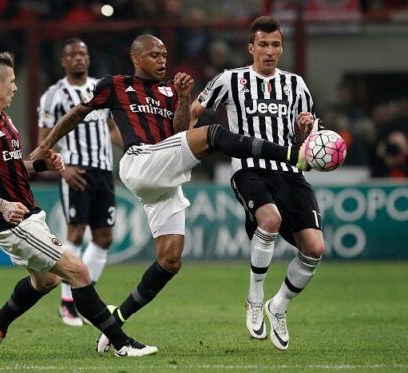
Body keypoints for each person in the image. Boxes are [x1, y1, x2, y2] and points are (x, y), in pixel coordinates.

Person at [31, 34, 310, 352]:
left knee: (171, 260)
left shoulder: (167, 92)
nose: (162, 60)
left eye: (165, 54)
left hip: (163, 175)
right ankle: (292, 155)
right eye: (154, 55)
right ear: (136, 58)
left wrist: (181, 98)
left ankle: (114, 327)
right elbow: (77, 114)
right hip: (140, 162)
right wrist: (46, 145)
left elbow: (178, 135)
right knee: (213, 133)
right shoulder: (116, 84)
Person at [0, 51, 157, 357]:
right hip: (12, 222)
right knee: (78, 271)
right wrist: (2, 205)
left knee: (47, 280)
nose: (16, 87)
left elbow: (13, 169)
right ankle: (121, 343)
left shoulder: (5, 121)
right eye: (11, 82)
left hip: (28, 214)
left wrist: (41, 167)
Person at [190, 16, 324, 351]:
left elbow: (309, 140)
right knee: (270, 219)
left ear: (282, 48)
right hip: (248, 167)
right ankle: (254, 299)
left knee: (314, 248)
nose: (269, 51)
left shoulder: (296, 85)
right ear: (251, 48)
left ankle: (277, 306)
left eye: (275, 44)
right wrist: (184, 154)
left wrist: (308, 129)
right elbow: (194, 110)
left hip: (290, 172)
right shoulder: (229, 80)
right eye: (262, 44)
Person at [38, 38, 122, 327]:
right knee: (76, 233)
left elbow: (111, 130)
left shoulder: (101, 88)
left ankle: (84, 298)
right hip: (76, 169)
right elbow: (44, 140)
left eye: (83, 54)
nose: (78, 58)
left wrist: (138, 147)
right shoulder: (53, 95)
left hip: (103, 171)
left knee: (104, 238)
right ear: (63, 61)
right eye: (72, 54)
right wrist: (63, 169)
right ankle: (67, 302)